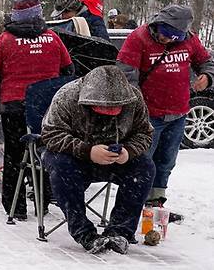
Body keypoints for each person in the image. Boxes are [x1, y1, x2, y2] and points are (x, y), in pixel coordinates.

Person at [0, 0, 74, 219]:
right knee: (44, 153)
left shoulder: (5, 40)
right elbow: (68, 70)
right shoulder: (52, 38)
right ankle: (43, 201)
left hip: (14, 106)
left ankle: (15, 206)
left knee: (14, 156)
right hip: (47, 109)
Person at [42, 66, 155, 254]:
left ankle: (119, 232)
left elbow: (144, 133)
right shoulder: (67, 96)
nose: (109, 111)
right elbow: (50, 135)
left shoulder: (134, 98)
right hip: (73, 158)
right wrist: (87, 151)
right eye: (103, 108)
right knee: (60, 166)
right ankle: (84, 233)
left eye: (114, 108)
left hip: (115, 160)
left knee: (144, 167)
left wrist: (129, 150)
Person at [116, 5, 214, 207]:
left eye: (173, 38)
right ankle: (132, 207)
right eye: (165, 34)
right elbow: (125, 76)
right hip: (148, 116)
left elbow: (206, 61)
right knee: (141, 163)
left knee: (166, 162)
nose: (167, 40)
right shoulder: (138, 38)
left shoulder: (190, 39)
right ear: (158, 23)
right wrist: (137, 109)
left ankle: (155, 203)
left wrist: (207, 76)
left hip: (178, 113)